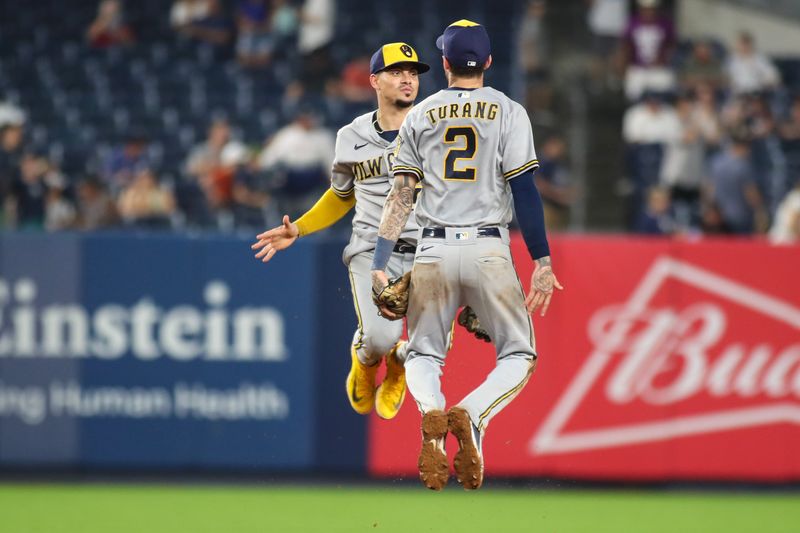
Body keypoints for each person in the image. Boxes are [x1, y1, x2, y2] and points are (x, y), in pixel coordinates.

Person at [370, 20, 562, 491]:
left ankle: (433, 415)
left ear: (447, 64)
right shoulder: (509, 111)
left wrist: (379, 261)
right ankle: (471, 416)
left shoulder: (420, 114)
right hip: (488, 247)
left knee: (423, 353)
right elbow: (525, 189)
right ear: (489, 63)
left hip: (432, 249)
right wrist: (541, 261)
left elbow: (401, 195)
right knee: (518, 352)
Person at [251, 43, 432, 421]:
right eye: (397, 72)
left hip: (426, 252)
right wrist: (299, 228)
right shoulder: (350, 135)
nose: (407, 79)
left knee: (426, 349)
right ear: (374, 81)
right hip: (371, 248)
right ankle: (366, 359)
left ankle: (397, 365)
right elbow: (340, 195)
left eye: (413, 73)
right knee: (380, 338)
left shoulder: (435, 130)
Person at [621, 0, 676, 101]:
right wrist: (626, 64)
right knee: (632, 92)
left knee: (667, 85)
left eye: (651, 9)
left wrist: (662, 58)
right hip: (637, 68)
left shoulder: (665, 23)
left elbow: (671, 45)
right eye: (646, 9)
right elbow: (626, 44)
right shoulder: (633, 23)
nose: (649, 12)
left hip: (659, 68)